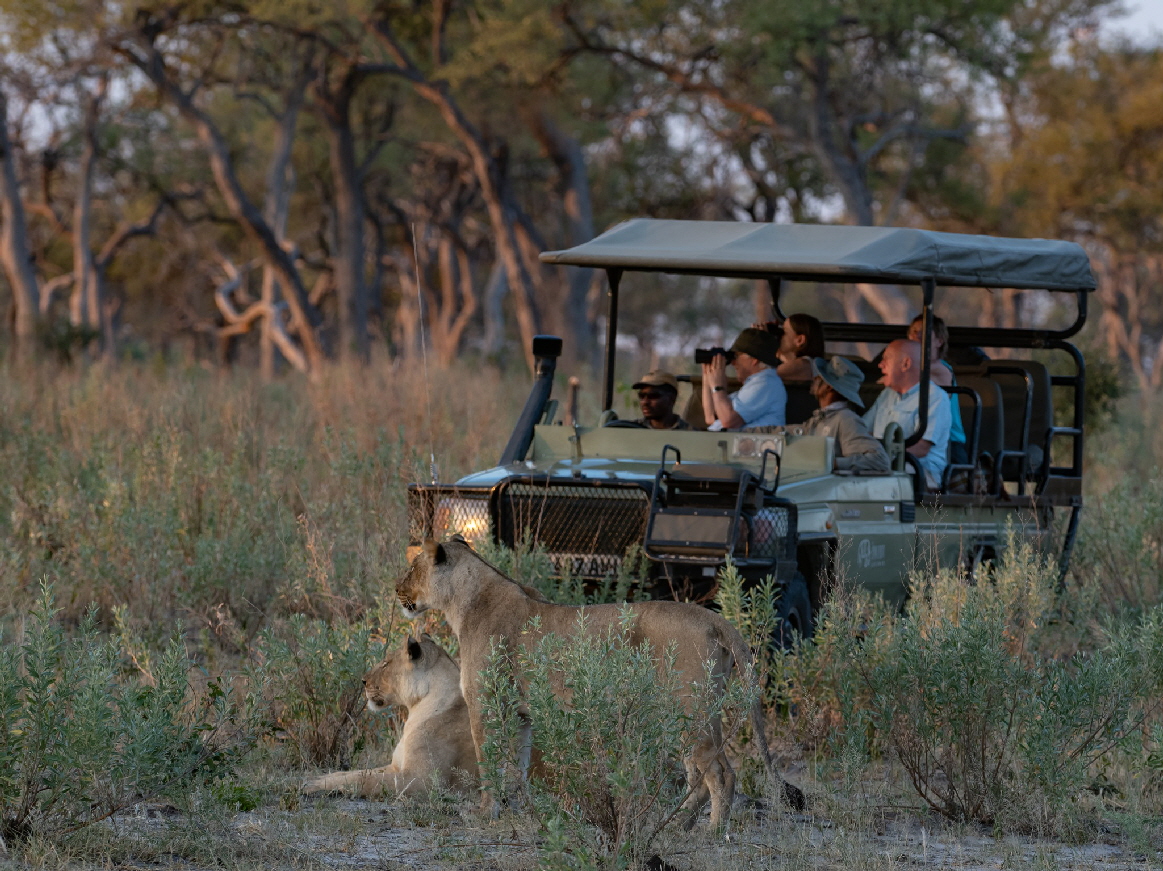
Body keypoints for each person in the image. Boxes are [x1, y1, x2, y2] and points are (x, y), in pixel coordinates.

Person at [862, 339, 951, 489]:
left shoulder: (935, 397)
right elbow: (864, 430)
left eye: (886, 359)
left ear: (906, 364)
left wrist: (877, 457)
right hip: (885, 466)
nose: (880, 364)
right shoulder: (887, 394)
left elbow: (921, 448)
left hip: (920, 473)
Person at [803, 356, 890, 472]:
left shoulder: (846, 419)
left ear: (829, 386)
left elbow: (879, 460)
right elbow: (799, 430)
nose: (814, 379)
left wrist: (833, 463)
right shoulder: (820, 418)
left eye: (819, 378)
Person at [907, 314, 968, 465]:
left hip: (947, 445)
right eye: (913, 331)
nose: (916, 335)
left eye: (923, 332)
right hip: (915, 437)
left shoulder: (941, 370)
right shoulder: (907, 369)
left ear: (939, 341)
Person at [701, 328, 787, 431]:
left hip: (749, 446)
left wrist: (718, 388)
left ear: (754, 359)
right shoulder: (753, 385)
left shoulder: (766, 383)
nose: (733, 363)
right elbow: (710, 417)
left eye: (736, 356)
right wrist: (708, 375)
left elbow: (728, 421)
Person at [754, 314, 826, 382]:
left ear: (800, 340)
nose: (781, 336)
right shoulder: (806, 364)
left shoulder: (804, 364)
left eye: (784, 332)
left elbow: (757, 376)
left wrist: (759, 343)